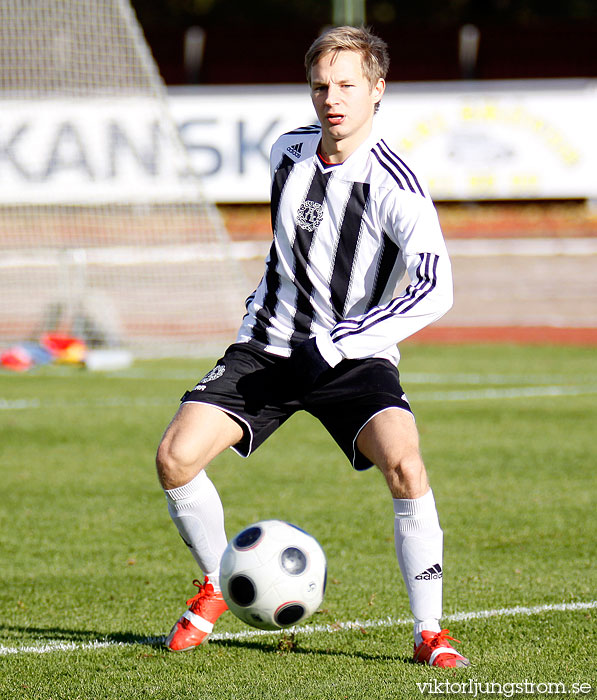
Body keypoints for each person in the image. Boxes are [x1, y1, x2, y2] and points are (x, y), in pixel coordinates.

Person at [156, 25, 469, 668]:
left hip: (350, 357)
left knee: (406, 467)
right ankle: (217, 583)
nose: (333, 98)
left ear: (377, 90)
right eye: (322, 85)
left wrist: (343, 338)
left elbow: (437, 288)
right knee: (175, 458)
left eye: (348, 85)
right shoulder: (287, 151)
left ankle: (429, 632)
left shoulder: (395, 182)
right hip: (269, 345)